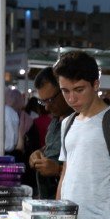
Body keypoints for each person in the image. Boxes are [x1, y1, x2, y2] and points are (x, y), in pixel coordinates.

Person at [54, 50, 110, 219]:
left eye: (79, 90)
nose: (71, 99)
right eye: (65, 91)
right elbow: (65, 173)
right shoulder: (68, 123)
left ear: (95, 84)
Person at [29, 68, 72, 199]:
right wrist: (38, 153)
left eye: (50, 100)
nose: (46, 107)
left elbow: (88, 171)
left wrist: (58, 170)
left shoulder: (79, 122)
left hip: (67, 204)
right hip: (48, 199)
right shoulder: (55, 120)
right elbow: (52, 147)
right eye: (43, 101)